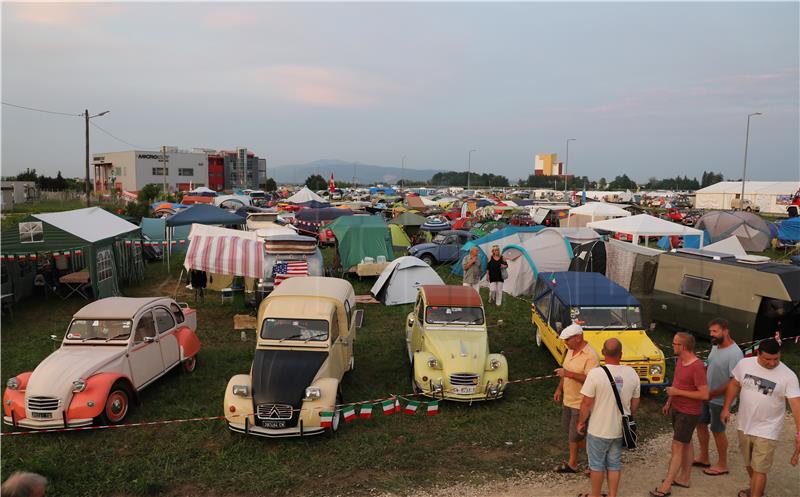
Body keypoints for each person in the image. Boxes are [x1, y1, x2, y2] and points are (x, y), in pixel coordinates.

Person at [721, 338, 800, 497]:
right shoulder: (745, 364)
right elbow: (735, 384)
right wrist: (726, 408)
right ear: (758, 354)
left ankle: (756, 492)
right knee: (749, 464)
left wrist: (799, 433)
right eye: (767, 359)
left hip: (768, 429)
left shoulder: (788, 376)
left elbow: (796, 405)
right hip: (744, 424)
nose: (772, 363)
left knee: (759, 468)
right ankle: (757, 489)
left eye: (776, 359)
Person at [577, 338, 641, 497]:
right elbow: (635, 402)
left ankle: (595, 495)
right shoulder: (632, 373)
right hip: (619, 430)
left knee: (597, 465)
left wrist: (580, 422)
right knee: (614, 464)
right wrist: (629, 415)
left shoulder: (595, 374)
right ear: (621, 354)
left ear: (603, 353)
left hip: (598, 429)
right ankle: (612, 495)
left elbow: (586, 403)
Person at [651, 332, 709, 497]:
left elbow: (704, 395)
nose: (672, 345)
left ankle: (666, 485)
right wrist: (669, 400)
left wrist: (677, 392)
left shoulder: (697, 366)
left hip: (688, 413)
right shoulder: (680, 361)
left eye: (675, 343)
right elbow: (677, 383)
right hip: (677, 408)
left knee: (677, 447)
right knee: (687, 442)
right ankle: (684, 478)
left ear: (682, 346)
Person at [694, 318, 743, 476]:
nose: (711, 335)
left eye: (715, 331)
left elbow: (733, 382)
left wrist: (713, 393)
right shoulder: (715, 346)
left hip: (719, 400)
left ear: (726, 331)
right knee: (700, 424)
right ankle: (704, 457)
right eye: (710, 331)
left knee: (717, 430)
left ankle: (722, 464)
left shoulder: (735, 354)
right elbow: (710, 365)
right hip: (706, 395)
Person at [553, 323, 600, 473]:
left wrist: (568, 374)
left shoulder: (591, 356)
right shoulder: (570, 350)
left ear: (578, 338)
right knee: (571, 433)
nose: (565, 343)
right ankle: (589, 459)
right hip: (569, 399)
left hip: (581, 402)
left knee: (575, 435)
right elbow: (566, 370)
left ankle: (586, 462)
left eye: (567, 340)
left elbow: (591, 380)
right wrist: (559, 388)